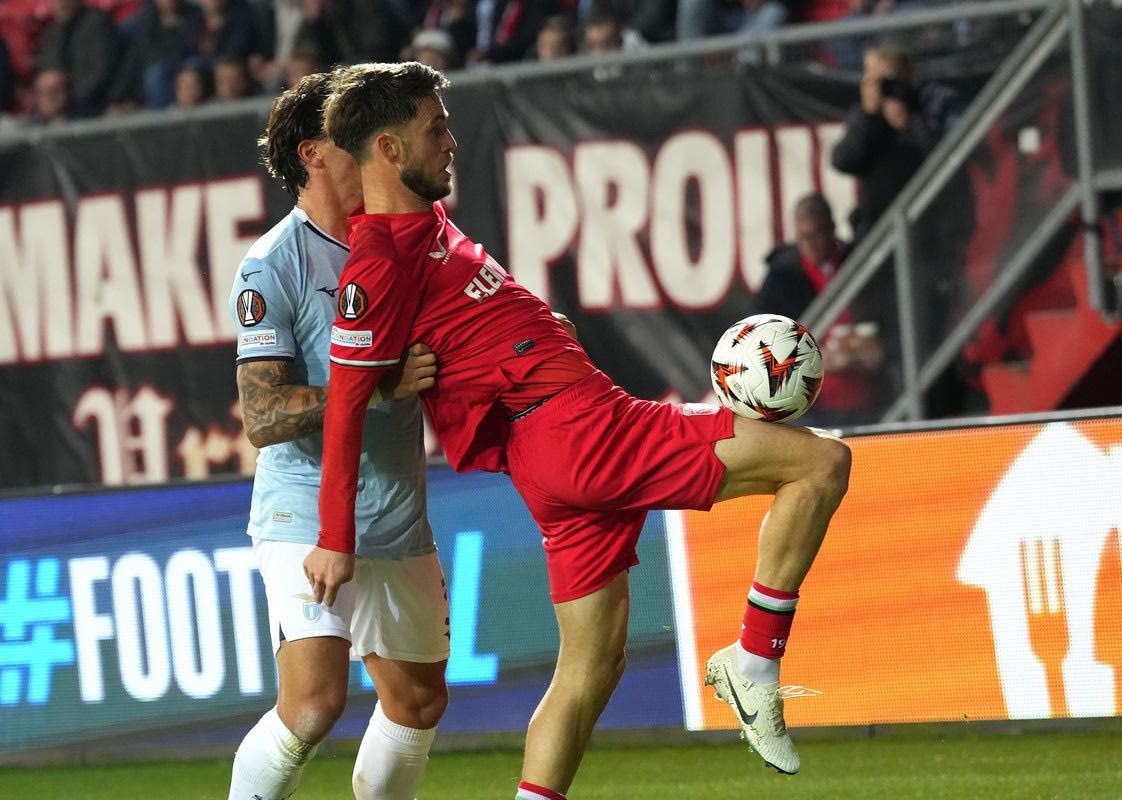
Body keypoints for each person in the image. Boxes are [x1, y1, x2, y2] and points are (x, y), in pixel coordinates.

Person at [309, 62, 851, 796]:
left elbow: (466, 330)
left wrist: (535, 330)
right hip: (585, 432)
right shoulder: (377, 264)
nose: (451, 141)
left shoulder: (425, 224)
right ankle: (753, 660)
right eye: (435, 128)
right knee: (820, 465)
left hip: (552, 454)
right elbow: (347, 404)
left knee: (589, 668)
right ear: (389, 149)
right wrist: (334, 537)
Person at [225, 70, 450, 800]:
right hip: (302, 508)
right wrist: (379, 385)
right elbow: (264, 416)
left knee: (418, 703)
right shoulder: (273, 263)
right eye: (343, 130)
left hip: (397, 508)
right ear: (312, 152)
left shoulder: (403, 234)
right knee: (315, 704)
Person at [757, 193, 886, 427]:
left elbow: (889, 315)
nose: (811, 244)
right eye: (803, 237)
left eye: (817, 235)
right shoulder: (781, 279)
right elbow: (763, 340)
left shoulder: (860, 261)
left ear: (832, 229)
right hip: (811, 404)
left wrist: (875, 348)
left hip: (870, 396)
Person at [831, 42, 933, 243]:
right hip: (877, 230)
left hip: (927, 223)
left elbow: (943, 154)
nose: (884, 89)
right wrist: (869, 116)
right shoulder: (864, 117)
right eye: (874, 81)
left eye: (890, 81)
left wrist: (907, 124)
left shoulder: (927, 104)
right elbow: (843, 161)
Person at [33, 0, 121, 116]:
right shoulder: (53, 32)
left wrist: (69, 100)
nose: (60, 4)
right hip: (61, 110)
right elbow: (48, 72)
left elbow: (102, 73)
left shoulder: (97, 24)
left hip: (93, 106)